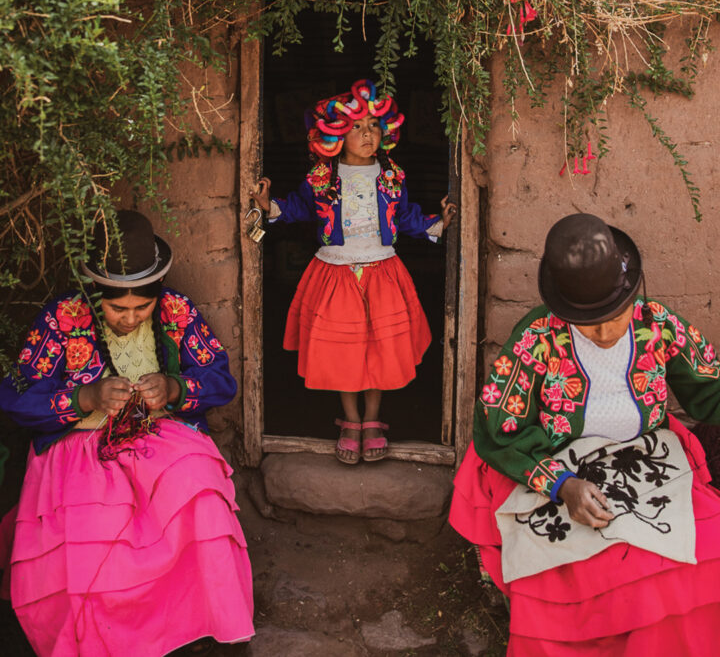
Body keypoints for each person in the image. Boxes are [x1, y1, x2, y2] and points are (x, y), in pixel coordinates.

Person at [449, 213, 720, 655]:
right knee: (582, 570)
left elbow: (709, 389)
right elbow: (498, 427)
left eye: (616, 316)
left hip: (646, 461)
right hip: (562, 465)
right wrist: (562, 484)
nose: (607, 332)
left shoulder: (659, 327)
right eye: (590, 323)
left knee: (701, 555)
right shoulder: (537, 339)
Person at [0, 210, 254, 656]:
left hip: (163, 438)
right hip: (80, 446)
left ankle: (200, 624)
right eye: (118, 308)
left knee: (202, 488)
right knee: (95, 532)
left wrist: (176, 388)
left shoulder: (176, 311)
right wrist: (86, 398)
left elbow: (220, 378)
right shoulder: (63, 317)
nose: (130, 318)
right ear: (96, 294)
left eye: (142, 308)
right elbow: (17, 395)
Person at [252, 79, 456, 464]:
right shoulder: (321, 177)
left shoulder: (392, 174)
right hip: (335, 273)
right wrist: (268, 205)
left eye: (373, 126)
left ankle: (374, 421)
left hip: (383, 271)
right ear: (334, 134)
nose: (367, 134)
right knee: (343, 352)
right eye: (356, 127)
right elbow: (298, 208)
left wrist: (437, 223)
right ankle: (350, 420)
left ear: (386, 130)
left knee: (380, 348)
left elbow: (407, 216)